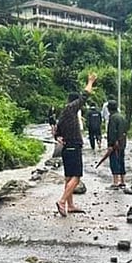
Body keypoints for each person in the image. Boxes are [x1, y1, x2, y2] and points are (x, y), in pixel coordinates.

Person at [54, 73, 97, 216]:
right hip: (73, 147)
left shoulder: (62, 114)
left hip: (67, 148)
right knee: (76, 177)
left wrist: (58, 137)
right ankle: (62, 201)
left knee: (68, 177)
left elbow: (56, 133)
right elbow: (85, 95)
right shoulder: (71, 109)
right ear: (74, 103)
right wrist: (90, 81)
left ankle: (70, 205)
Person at [106, 100, 128, 188]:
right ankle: (122, 181)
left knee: (114, 162)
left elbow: (111, 132)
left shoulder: (113, 118)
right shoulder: (121, 117)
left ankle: (115, 182)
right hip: (122, 143)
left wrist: (110, 145)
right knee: (121, 161)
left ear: (109, 109)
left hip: (115, 144)